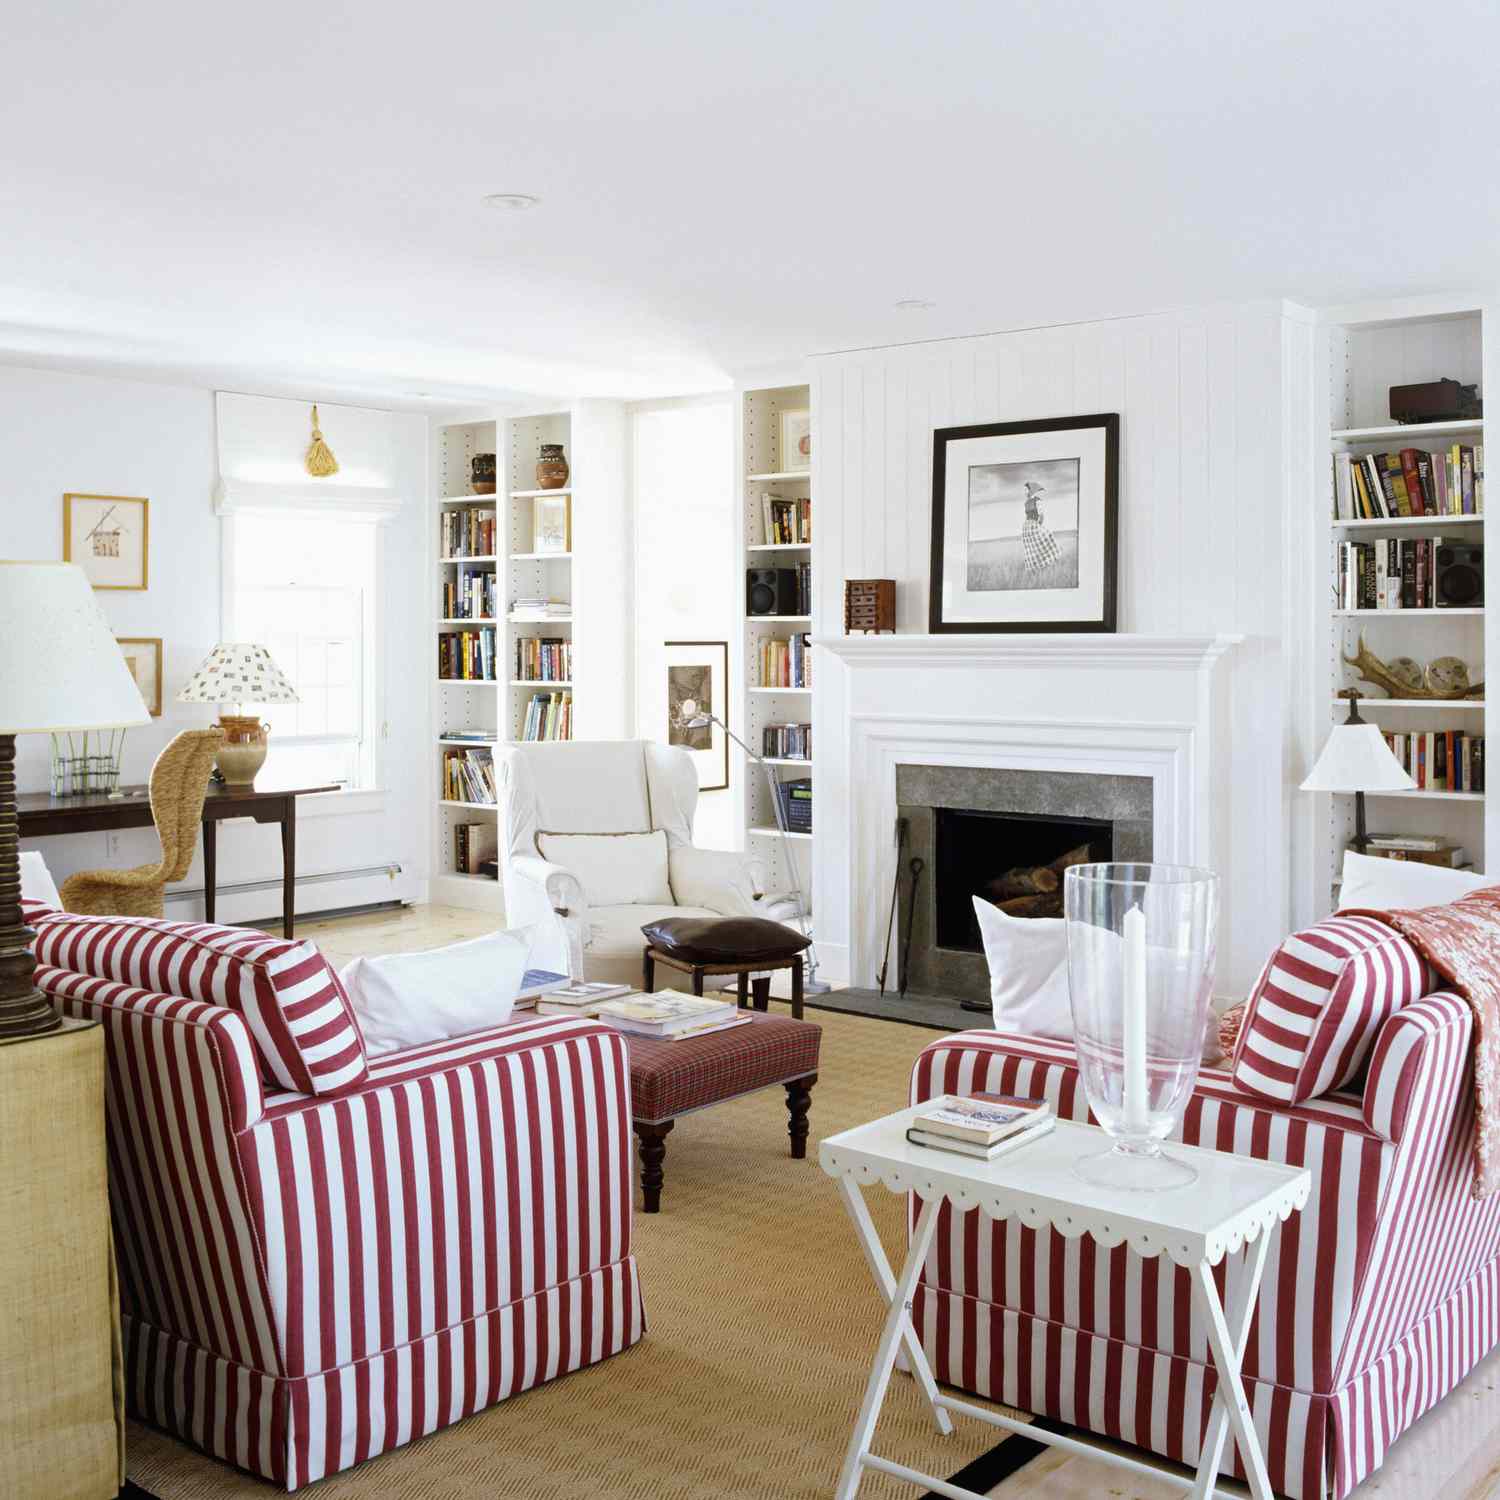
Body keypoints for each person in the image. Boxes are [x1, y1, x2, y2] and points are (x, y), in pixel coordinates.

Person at [1020, 481, 1062, 573]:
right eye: (1024, 490)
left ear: (1031, 491)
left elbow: (1041, 515)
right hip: (1027, 527)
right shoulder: (1026, 503)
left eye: (1026, 490)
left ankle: (1048, 564)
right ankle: (1034, 568)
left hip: (1035, 525)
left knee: (1045, 539)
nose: (1024, 492)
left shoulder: (1037, 500)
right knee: (1030, 549)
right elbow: (1026, 515)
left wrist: (1038, 526)